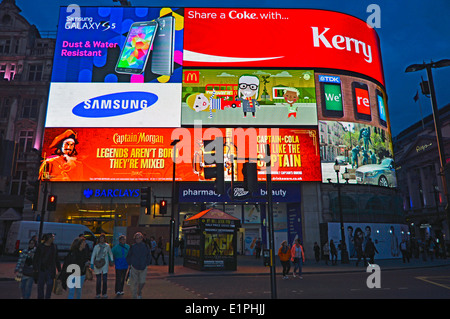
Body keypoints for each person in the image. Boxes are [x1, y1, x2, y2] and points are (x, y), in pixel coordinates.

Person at [33, 233, 61, 299]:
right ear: (48, 239)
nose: (53, 239)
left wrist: (59, 269)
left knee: (49, 286)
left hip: (50, 270)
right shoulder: (40, 247)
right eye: (52, 237)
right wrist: (36, 268)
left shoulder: (54, 247)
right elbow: (36, 258)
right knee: (40, 286)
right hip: (42, 269)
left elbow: (57, 259)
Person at [126, 232, 152, 299]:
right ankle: (134, 296)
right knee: (133, 283)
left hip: (143, 266)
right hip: (134, 266)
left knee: (142, 282)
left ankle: (139, 291)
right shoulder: (132, 247)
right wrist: (130, 263)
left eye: (139, 238)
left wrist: (147, 263)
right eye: (136, 238)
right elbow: (129, 255)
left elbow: (149, 255)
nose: (138, 239)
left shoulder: (146, 246)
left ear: (142, 238)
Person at [90, 233, 113, 299]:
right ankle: (98, 293)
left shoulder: (107, 246)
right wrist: (92, 263)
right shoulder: (96, 246)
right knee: (98, 280)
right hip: (97, 263)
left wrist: (111, 260)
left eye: (103, 238)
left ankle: (104, 293)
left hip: (105, 263)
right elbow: (93, 255)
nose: (102, 239)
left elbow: (110, 253)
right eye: (101, 238)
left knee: (105, 279)